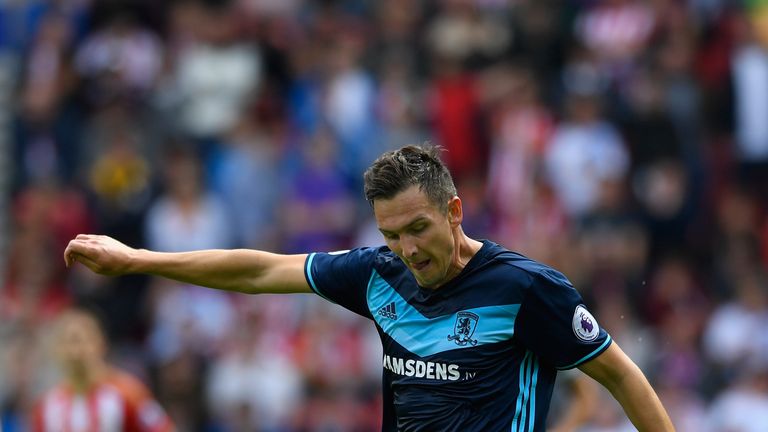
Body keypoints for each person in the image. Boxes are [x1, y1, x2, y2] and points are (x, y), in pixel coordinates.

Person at [64, 145, 674, 431]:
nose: (408, 249)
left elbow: (619, 374)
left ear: (454, 210)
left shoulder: (526, 288)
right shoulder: (376, 275)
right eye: (391, 234)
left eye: (418, 229)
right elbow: (258, 270)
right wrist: (140, 260)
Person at [31, 308, 175, 432]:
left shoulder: (129, 393)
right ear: (56, 350)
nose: (75, 351)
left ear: (100, 343)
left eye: (80, 340)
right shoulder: (47, 406)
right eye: (67, 343)